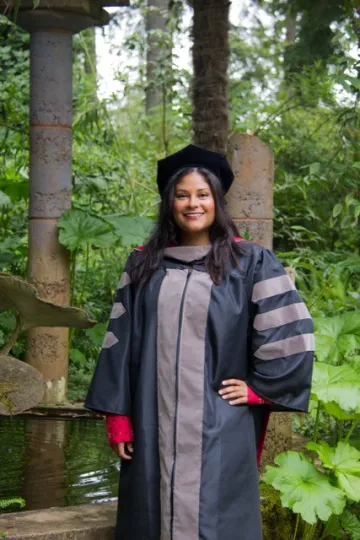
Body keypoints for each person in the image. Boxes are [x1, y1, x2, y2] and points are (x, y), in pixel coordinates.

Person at [85, 144, 314, 540]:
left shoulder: (251, 262)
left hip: (220, 420)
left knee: (219, 515)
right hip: (152, 416)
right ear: (170, 202)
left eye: (203, 194)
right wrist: (119, 419)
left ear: (217, 201)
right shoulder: (143, 263)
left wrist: (260, 390)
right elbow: (118, 343)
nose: (193, 204)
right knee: (151, 514)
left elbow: (290, 331)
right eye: (183, 194)